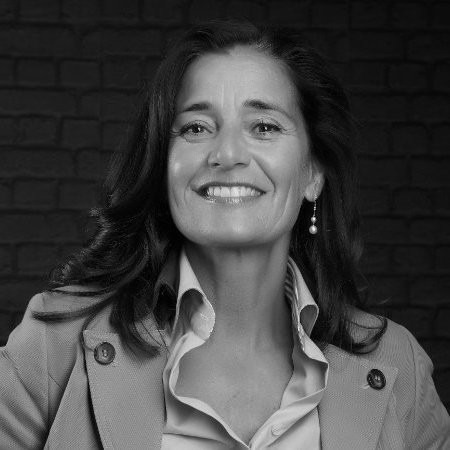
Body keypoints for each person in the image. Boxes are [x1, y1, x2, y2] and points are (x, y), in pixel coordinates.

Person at [1, 20, 449, 450]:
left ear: (313, 173)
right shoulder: (52, 348)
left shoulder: (399, 366)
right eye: (196, 128)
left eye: (264, 127)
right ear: (163, 166)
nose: (228, 153)